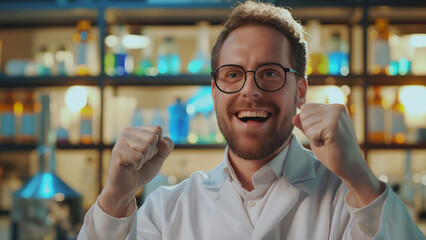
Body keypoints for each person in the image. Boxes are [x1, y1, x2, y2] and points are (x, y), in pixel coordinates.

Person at [78, 1, 424, 239]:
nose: (250, 92)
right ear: (214, 90)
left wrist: (360, 177)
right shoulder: (168, 209)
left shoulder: (346, 200)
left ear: (300, 91)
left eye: (270, 73)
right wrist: (116, 196)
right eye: (232, 74)